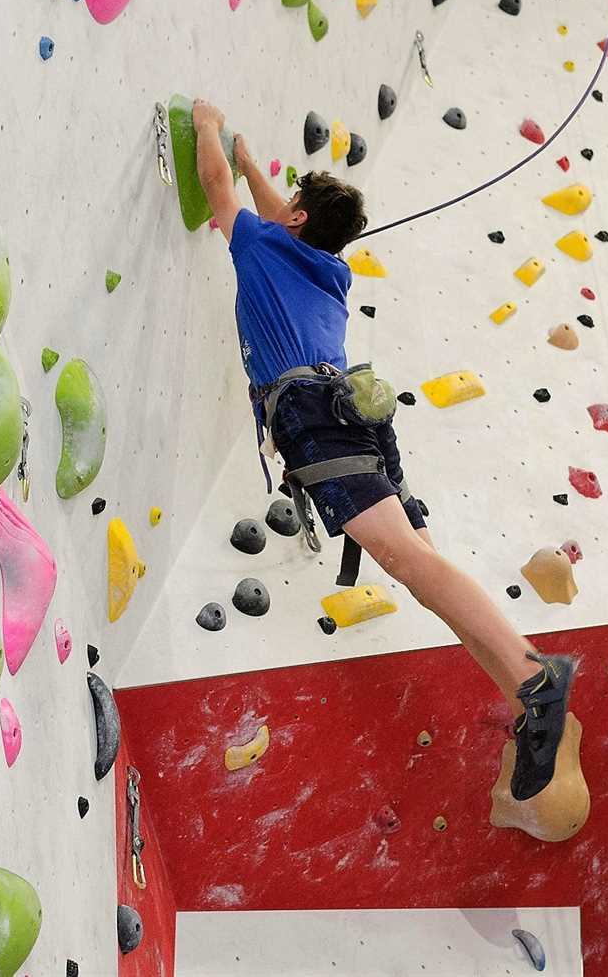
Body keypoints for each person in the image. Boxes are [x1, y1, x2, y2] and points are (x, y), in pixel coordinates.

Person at [191, 98, 573, 807]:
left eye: (292, 204)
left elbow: (219, 194)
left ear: (298, 220)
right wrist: (254, 162)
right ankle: (525, 694)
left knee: (411, 564)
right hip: (359, 416)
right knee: (424, 573)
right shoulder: (328, 272)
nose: (282, 209)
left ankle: (534, 676)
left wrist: (210, 131)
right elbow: (283, 216)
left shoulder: (264, 246)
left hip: (318, 417)